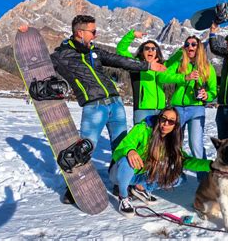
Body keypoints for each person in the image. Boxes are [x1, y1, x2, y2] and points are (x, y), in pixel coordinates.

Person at [41, 15, 166, 204]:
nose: (95, 35)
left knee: (122, 146)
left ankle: (119, 181)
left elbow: (120, 60)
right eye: (93, 32)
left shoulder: (95, 52)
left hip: (116, 104)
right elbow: (37, 65)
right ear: (80, 33)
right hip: (94, 107)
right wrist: (28, 40)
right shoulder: (62, 55)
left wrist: (147, 65)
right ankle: (74, 188)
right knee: (86, 146)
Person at [109, 107, 211, 217]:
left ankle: (141, 188)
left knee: (178, 178)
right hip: (120, 173)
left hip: (141, 175)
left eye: (171, 121)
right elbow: (120, 149)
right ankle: (123, 196)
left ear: (175, 125)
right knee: (127, 160)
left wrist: (210, 165)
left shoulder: (171, 141)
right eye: (164, 119)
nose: (166, 123)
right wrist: (129, 150)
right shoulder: (143, 129)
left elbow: (185, 161)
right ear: (159, 118)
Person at [158, 36, 217, 180]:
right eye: (187, 44)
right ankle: (176, 172)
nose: (190, 46)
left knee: (196, 145)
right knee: (174, 142)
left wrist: (206, 95)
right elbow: (162, 77)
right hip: (177, 109)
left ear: (199, 48)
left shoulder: (207, 67)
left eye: (193, 44)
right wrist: (184, 77)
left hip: (197, 109)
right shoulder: (180, 64)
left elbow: (214, 90)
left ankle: (204, 180)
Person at [116, 29, 180, 124]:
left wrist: (183, 50)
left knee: (158, 138)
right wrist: (132, 35)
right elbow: (121, 49)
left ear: (156, 52)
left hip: (161, 110)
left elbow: (173, 60)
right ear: (142, 52)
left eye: (153, 49)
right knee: (142, 137)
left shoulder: (161, 66)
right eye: (147, 48)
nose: (150, 50)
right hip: (143, 110)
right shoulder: (135, 65)